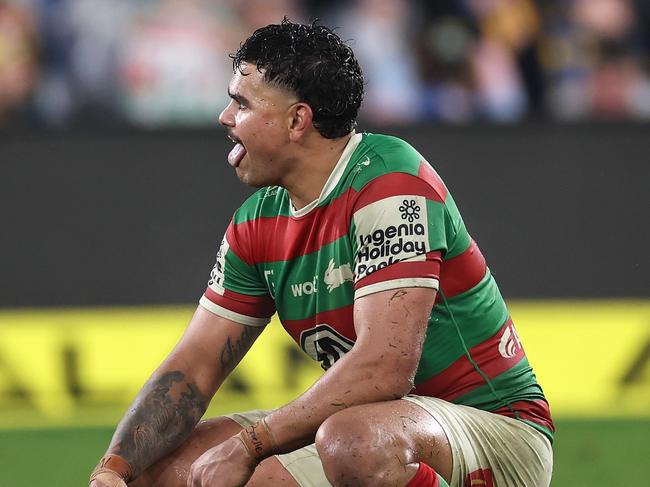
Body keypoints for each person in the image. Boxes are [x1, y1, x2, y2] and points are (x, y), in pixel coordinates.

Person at [89, 19, 554, 487]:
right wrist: (112, 470)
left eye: (241, 103)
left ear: (297, 121)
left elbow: (384, 368)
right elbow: (193, 369)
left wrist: (248, 446)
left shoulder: (389, 182)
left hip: (494, 431)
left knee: (347, 444)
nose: (224, 117)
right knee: (163, 469)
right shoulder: (256, 221)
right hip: (375, 427)